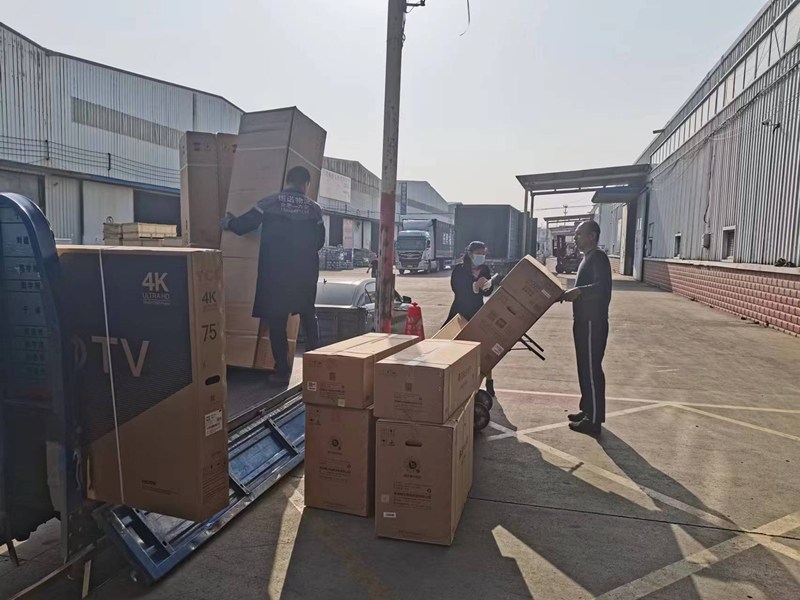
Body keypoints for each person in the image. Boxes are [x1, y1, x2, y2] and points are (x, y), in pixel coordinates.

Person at [221, 166, 325, 385]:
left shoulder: (269, 203)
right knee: (308, 316)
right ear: (306, 184)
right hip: (304, 275)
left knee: (277, 322)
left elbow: (243, 225)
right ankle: (317, 366)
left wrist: (228, 222)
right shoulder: (314, 209)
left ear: (287, 181)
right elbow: (319, 242)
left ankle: (281, 372)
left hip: (276, 274)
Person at [561, 220, 612, 436]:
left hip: (593, 322)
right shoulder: (587, 258)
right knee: (584, 367)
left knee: (591, 370)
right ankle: (587, 410)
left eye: (579, 234)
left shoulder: (598, 258)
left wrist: (579, 291)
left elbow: (601, 288)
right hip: (582, 321)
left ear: (592, 236)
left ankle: (594, 420)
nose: (575, 238)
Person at [444, 241, 496, 397]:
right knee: (452, 344)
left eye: (483, 254)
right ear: (470, 253)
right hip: (460, 310)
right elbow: (457, 289)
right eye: (478, 253)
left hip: (477, 311)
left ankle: (489, 382)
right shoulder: (459, 269)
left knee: (483, 347)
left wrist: (486, 287)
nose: (481, 257)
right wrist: (474, 286)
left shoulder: (485, 269)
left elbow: (488, 291)